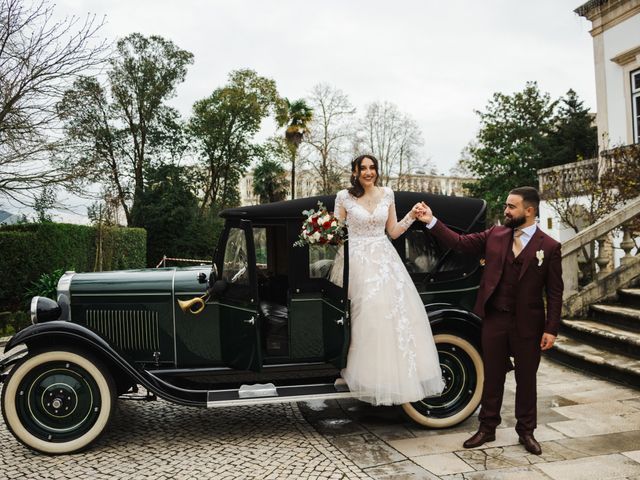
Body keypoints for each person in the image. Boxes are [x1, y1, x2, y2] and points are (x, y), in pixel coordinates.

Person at [416, 186, 563, 455]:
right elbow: (460, 243)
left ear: (529, 211)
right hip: (494, 319)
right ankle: (487, 428)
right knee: (493, 376)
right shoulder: (495, 235)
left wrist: (551, 329)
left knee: (527, 379)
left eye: (511, 207)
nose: (506, 211)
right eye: (506, 205)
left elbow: (555, 292)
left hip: (529, 324)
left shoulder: (550, 247)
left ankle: (526, 432)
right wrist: (431, 221)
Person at [332, 154, 444, 406]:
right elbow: (337, 234)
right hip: (358, 260)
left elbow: (393, 231)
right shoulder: (344, 197)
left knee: (393, 314)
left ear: (377, 171)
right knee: (367, 315)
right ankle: (365, 375)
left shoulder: (388, 194)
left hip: (384, 260)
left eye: (372, 168)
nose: (368, 172)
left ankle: (398, 377)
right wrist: (321, 230)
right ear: (355, 172)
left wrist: (412, 216)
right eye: (363, 168)